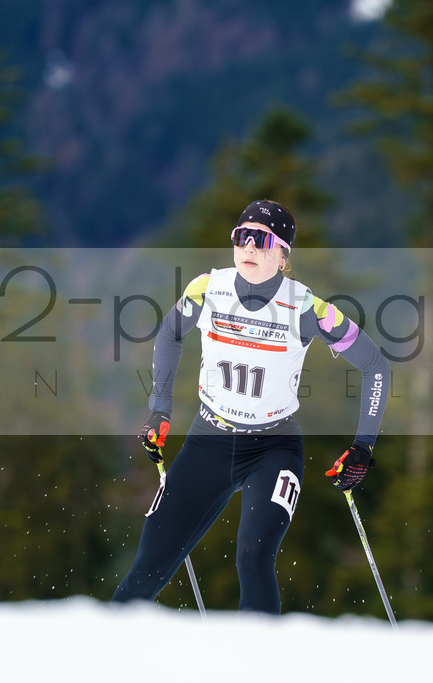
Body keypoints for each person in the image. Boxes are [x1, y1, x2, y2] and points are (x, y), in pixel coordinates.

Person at [112, 199, 390, 614]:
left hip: (273, 449)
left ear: (283, 255)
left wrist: (363, 446)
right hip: (208, 442)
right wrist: (160, 410)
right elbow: (170, 333)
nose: (249, 247)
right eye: (242, 236)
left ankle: (259, 653)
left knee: (253, 557)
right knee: (148, 565)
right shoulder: (207, 289)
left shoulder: (308, 309)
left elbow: (375, 365)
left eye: (262, 240)